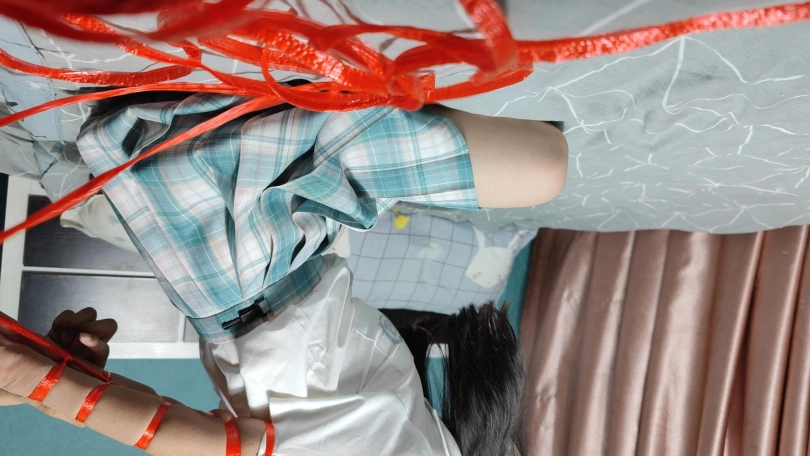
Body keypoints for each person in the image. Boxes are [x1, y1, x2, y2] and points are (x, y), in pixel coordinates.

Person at [0, 93, 568, 456]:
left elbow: (217, 441)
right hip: (284, 248)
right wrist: (56, 380)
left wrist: (43, 380)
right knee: (542, 164)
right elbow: (213, 435)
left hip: (246, 251)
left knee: (544, 165)